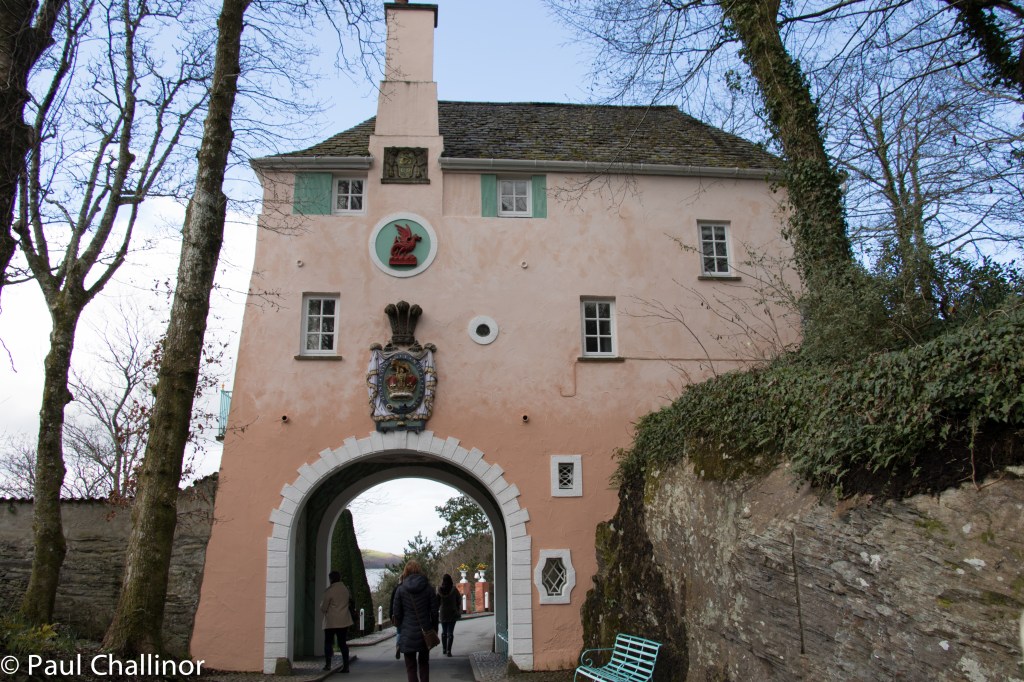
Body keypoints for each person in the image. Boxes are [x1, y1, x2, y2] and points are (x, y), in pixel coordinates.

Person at [393, 560, 440, 682]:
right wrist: (434, 628)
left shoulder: (401, 589)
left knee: (410, 667)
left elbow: (396, 613)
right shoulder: (428, 588)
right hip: (425, 631)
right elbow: (434, 612)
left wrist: (400, 627)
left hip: (407, 632)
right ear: (419, 570)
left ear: (406, 572)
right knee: (424, 664)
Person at [320, 570, 353, 672]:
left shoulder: (329, 591)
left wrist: (322, 607)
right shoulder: (345, 590)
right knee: (342, 643)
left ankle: (328, 664)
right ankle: (346, 666)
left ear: (331, 579)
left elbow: (324, 607)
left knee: (328, 642)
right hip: (343, 620)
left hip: (331, 621)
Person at [436, 573, 461, 657]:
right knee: (450, 633)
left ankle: (444, 649)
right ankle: (449, 651)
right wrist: (457, 607)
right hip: (452, 612)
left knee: (444, 632)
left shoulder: (439, 590)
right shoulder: (454, 590)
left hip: (443, 613)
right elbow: (459, 599)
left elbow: (437, 602)